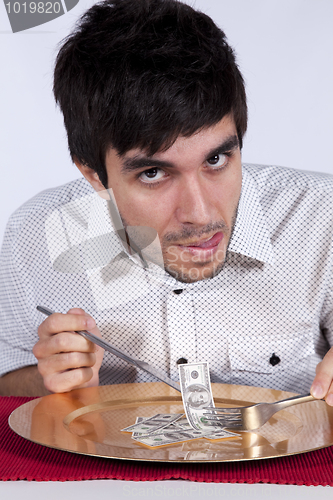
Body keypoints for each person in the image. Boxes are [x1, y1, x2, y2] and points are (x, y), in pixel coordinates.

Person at [0, 0, 333, 403]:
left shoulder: (319, 216)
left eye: (216, 159)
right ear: (92, 174)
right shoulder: (37, 234)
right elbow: (7, 382)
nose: (201, 214)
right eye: (153, 174)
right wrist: (52, 381)